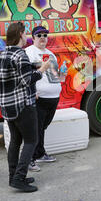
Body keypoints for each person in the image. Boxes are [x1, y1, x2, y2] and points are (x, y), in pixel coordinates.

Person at [0, 22, 51, 192]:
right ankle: (19, 177)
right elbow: (27, 80)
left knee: (15, 141)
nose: (27, 35)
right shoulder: (21, 54)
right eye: (25, 32)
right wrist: (42, 68)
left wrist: (32, 66)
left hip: (8, 105)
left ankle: (13, 176)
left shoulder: (4, 53)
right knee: (31, 140)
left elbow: (15, 76)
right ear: (21, 34)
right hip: (23, 104)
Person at [25, 26, 61, 172]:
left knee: (43, 127)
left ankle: (40, 153)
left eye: (45, 35)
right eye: (39, 35)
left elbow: (53, 75)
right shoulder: (28, 52)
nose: (42, 37)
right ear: (33, 37)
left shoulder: (51, 54)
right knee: (36, 128)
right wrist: (31, 91)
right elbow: (26, 75)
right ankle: (31, 158)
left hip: (53, 97)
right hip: (39, 97)